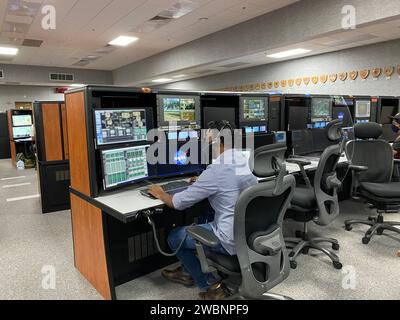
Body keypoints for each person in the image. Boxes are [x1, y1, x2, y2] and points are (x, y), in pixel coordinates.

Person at [148, 120, 258, 300]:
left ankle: (210, 285)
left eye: (208, 140)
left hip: (228, 238)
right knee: (205, 215)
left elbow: (178, 203)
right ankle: (187, 268)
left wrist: (160, 194)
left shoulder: (215, 171)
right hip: (248, 231)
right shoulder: (241, 159)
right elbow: (227, 182)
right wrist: (203, 181)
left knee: (175, 237)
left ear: (216, 142)